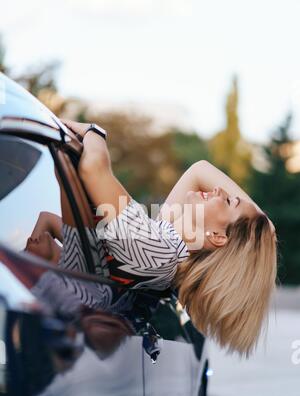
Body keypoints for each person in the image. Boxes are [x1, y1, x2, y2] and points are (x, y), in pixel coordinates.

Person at [61, 119, 278, 357]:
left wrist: (94, 132)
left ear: (217, 236)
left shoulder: (159, 254)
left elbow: (93, 167)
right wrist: (264, 225)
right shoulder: (167, 241)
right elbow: (199, 170)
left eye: (228, 201)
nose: (219, 190)